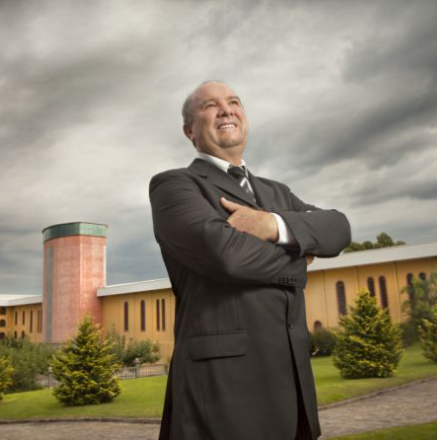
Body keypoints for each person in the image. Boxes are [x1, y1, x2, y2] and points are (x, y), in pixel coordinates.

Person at [149, 81, 351, 440]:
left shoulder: (277, 193)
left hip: (293, 390)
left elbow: (338, 229)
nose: (226, 110)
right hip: (222, 397)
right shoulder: (175, 187)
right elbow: (226, 256)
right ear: (189, 130)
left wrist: (271, 224)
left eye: (234, 102)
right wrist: (298, 259)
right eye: (210, 106)